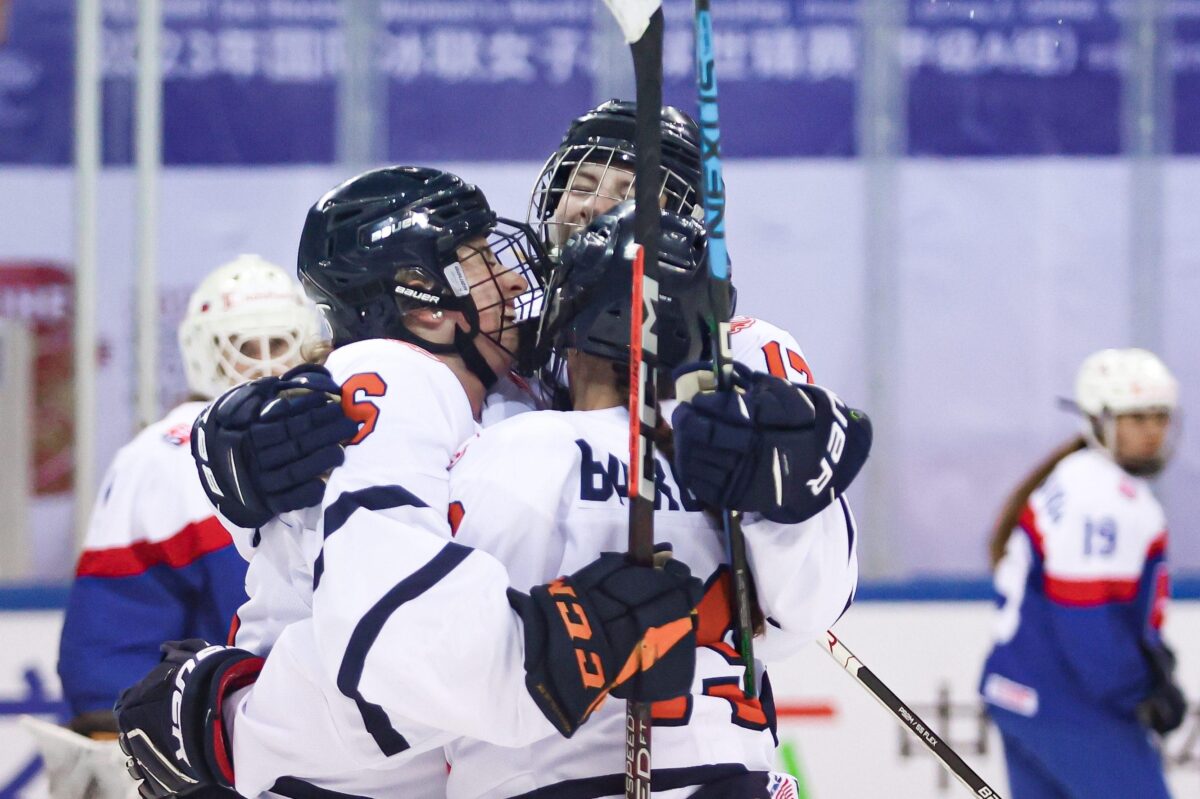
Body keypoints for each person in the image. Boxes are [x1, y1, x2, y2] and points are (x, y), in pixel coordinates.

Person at [115, 167, 705, 799]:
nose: (511, 279)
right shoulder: (394, 373)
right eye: (481, 260)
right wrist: (546, 655)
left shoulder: (509, 395)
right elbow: (393, 643)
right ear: (424, 300)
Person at [443, 201, 869, 798]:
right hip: (739, 778)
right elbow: (810, 612)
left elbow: (433, 656)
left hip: (554, 782)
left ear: (567, 317)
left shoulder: (511, 454)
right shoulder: (745, 468)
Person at [57, 253, 318, 736]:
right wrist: (120, 730)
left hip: (334, 737)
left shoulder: (344, 434)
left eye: (279, 341)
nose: (264, 361)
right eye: (241, 344)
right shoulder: (161, 458)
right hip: (223, 743)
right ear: (202, 351)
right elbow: (113, 630)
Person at [980, 347, 1185, 799]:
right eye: (1136, 418)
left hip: (1022, 692)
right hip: (1073, 706)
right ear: (1097, 420)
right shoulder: (1103, 499)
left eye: (1159, 416)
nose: (1152, 431)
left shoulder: (1075, 478)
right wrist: (1141, 689)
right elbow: (1086, 623)